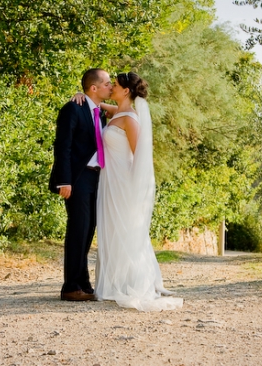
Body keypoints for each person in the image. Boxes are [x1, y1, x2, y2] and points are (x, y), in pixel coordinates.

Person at [74, 72, 183, 311]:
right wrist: (81, 95)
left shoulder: (131, 119)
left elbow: (140, 156)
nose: (111, 86)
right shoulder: (117, 112)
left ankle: (129, 283)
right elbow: (97, 104)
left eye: (116, 85)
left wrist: (135, 189)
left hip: (123, 182)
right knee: (111, 229)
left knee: (126, 229)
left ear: (126, 91)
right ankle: (114, 281)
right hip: (109, 180)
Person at [49, 68, 113, 301]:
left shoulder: (99, 112)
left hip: (97, 178)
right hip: (77, 178)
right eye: (107, 83)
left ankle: (83, 284)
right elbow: (62, 146)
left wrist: (84, 95)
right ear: (94, 87)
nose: (111, 86)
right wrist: (64, 181)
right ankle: (70, 287)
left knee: (88, 230)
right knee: (78, 230)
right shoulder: (71, 109)